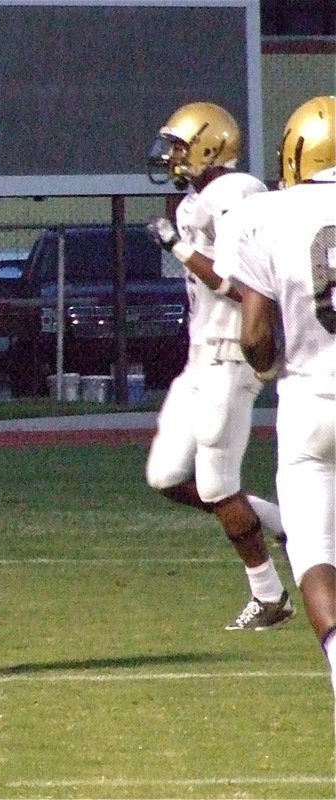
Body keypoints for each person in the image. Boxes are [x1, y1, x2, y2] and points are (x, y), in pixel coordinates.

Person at [143, 101, 293, 630]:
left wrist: (178, 248)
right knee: (165, 475)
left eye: (180, 146)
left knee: (216, 485)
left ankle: (269, 595)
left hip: (232, 356)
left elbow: (241, 287)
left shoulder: (236, 192)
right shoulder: (196, 201)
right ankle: (288, 525)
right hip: (200, 358)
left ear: (210, 145)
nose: (171, 156)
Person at [217, 95, 336, 691]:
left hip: (310, 402)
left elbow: (255, 333)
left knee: (314, 553)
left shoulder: (265, 215)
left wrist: (265, 368)